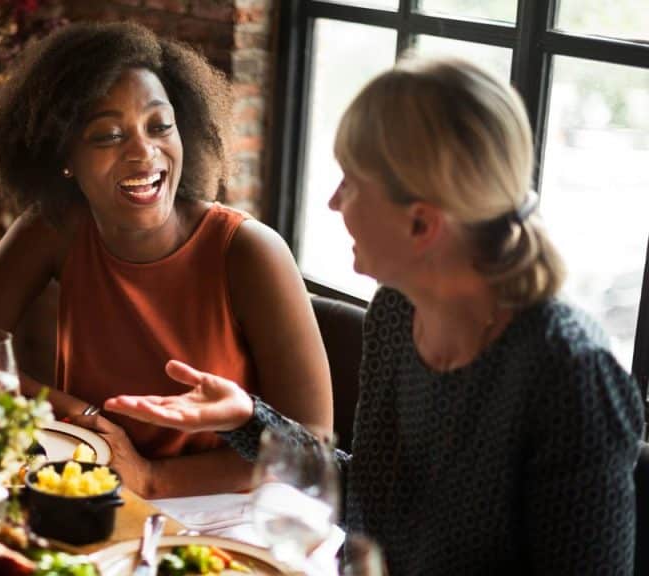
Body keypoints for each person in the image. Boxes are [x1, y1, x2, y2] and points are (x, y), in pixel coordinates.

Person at [105, 56, 644, 575]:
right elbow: (370, 496)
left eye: (352, 183)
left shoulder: (573, 379)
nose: (335, 203)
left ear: (422, 224)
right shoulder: (397, 311)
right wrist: (247, 418)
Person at [0, 21, 332, 498]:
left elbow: (313, 443)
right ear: (65, 158)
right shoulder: (55, 229)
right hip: (96, 495)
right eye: (107, 136)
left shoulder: (249, 251)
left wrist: (153, 478)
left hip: (230, 512)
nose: (144, 152)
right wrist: (82, 417)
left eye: (160, 127)